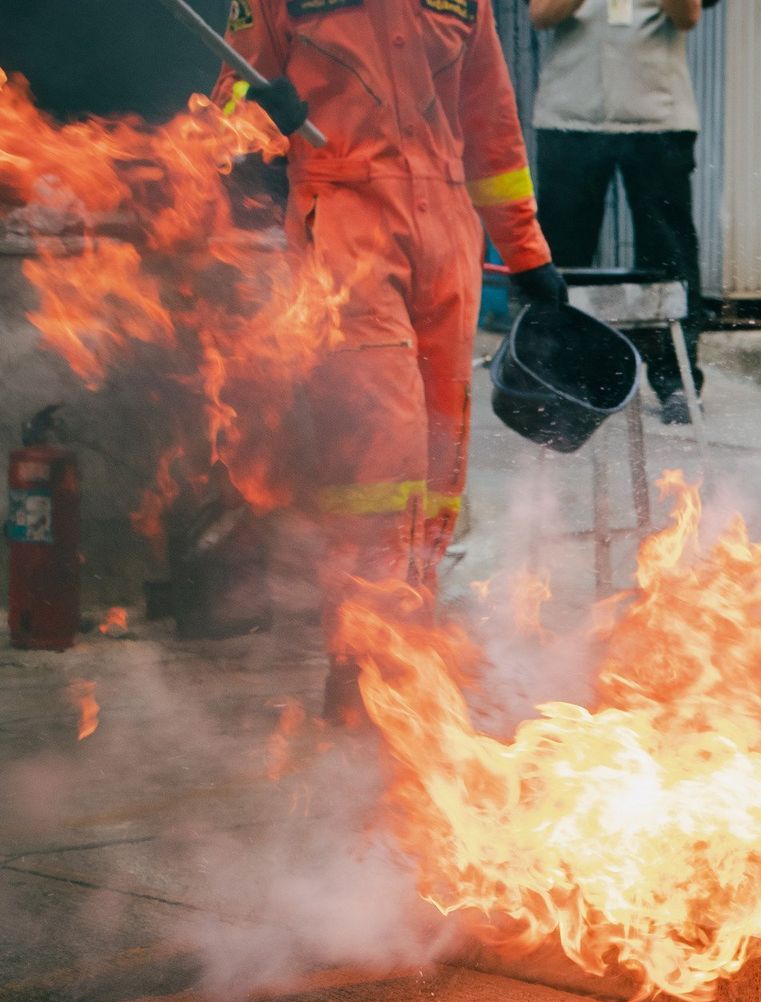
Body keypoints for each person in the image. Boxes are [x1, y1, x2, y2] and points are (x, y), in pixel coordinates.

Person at [213, 0, 567, 725]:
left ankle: (410, 656)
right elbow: (225, 106)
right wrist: (261, 113)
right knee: (381, 454)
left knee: (438, 463)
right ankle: (363, 671)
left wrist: (527, 253)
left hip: (449, 240)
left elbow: (491, 126)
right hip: (345, 225)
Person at [531, 0, 707, 424]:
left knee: (669, 256)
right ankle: (558, 375)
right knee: (562, 254)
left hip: (659, 118)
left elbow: (688, 17)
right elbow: (540, 15)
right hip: (570, 115)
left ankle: (675, 380)